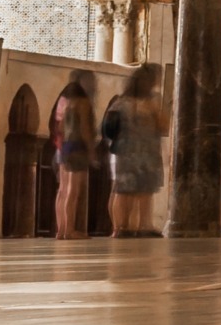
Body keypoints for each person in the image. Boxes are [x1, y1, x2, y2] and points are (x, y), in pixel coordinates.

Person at [102, 63, 166, 237]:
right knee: (141, 191)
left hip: (127, 152)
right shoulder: (151, 102)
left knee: (125, 190)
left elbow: (109, 127)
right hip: (144, 153)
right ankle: (142, 225)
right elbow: (163, 126)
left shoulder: (121, 102)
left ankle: (121, 227)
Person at [51, 69, 99, 240]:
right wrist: (92, 150)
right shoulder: (83, 102)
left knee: (62, 190)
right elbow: (86, 129)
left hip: (65, 147)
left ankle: (61, 230)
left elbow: (60, 127)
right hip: (78, 147)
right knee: (73, 190)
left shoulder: (65, 102)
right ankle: (70, 229)